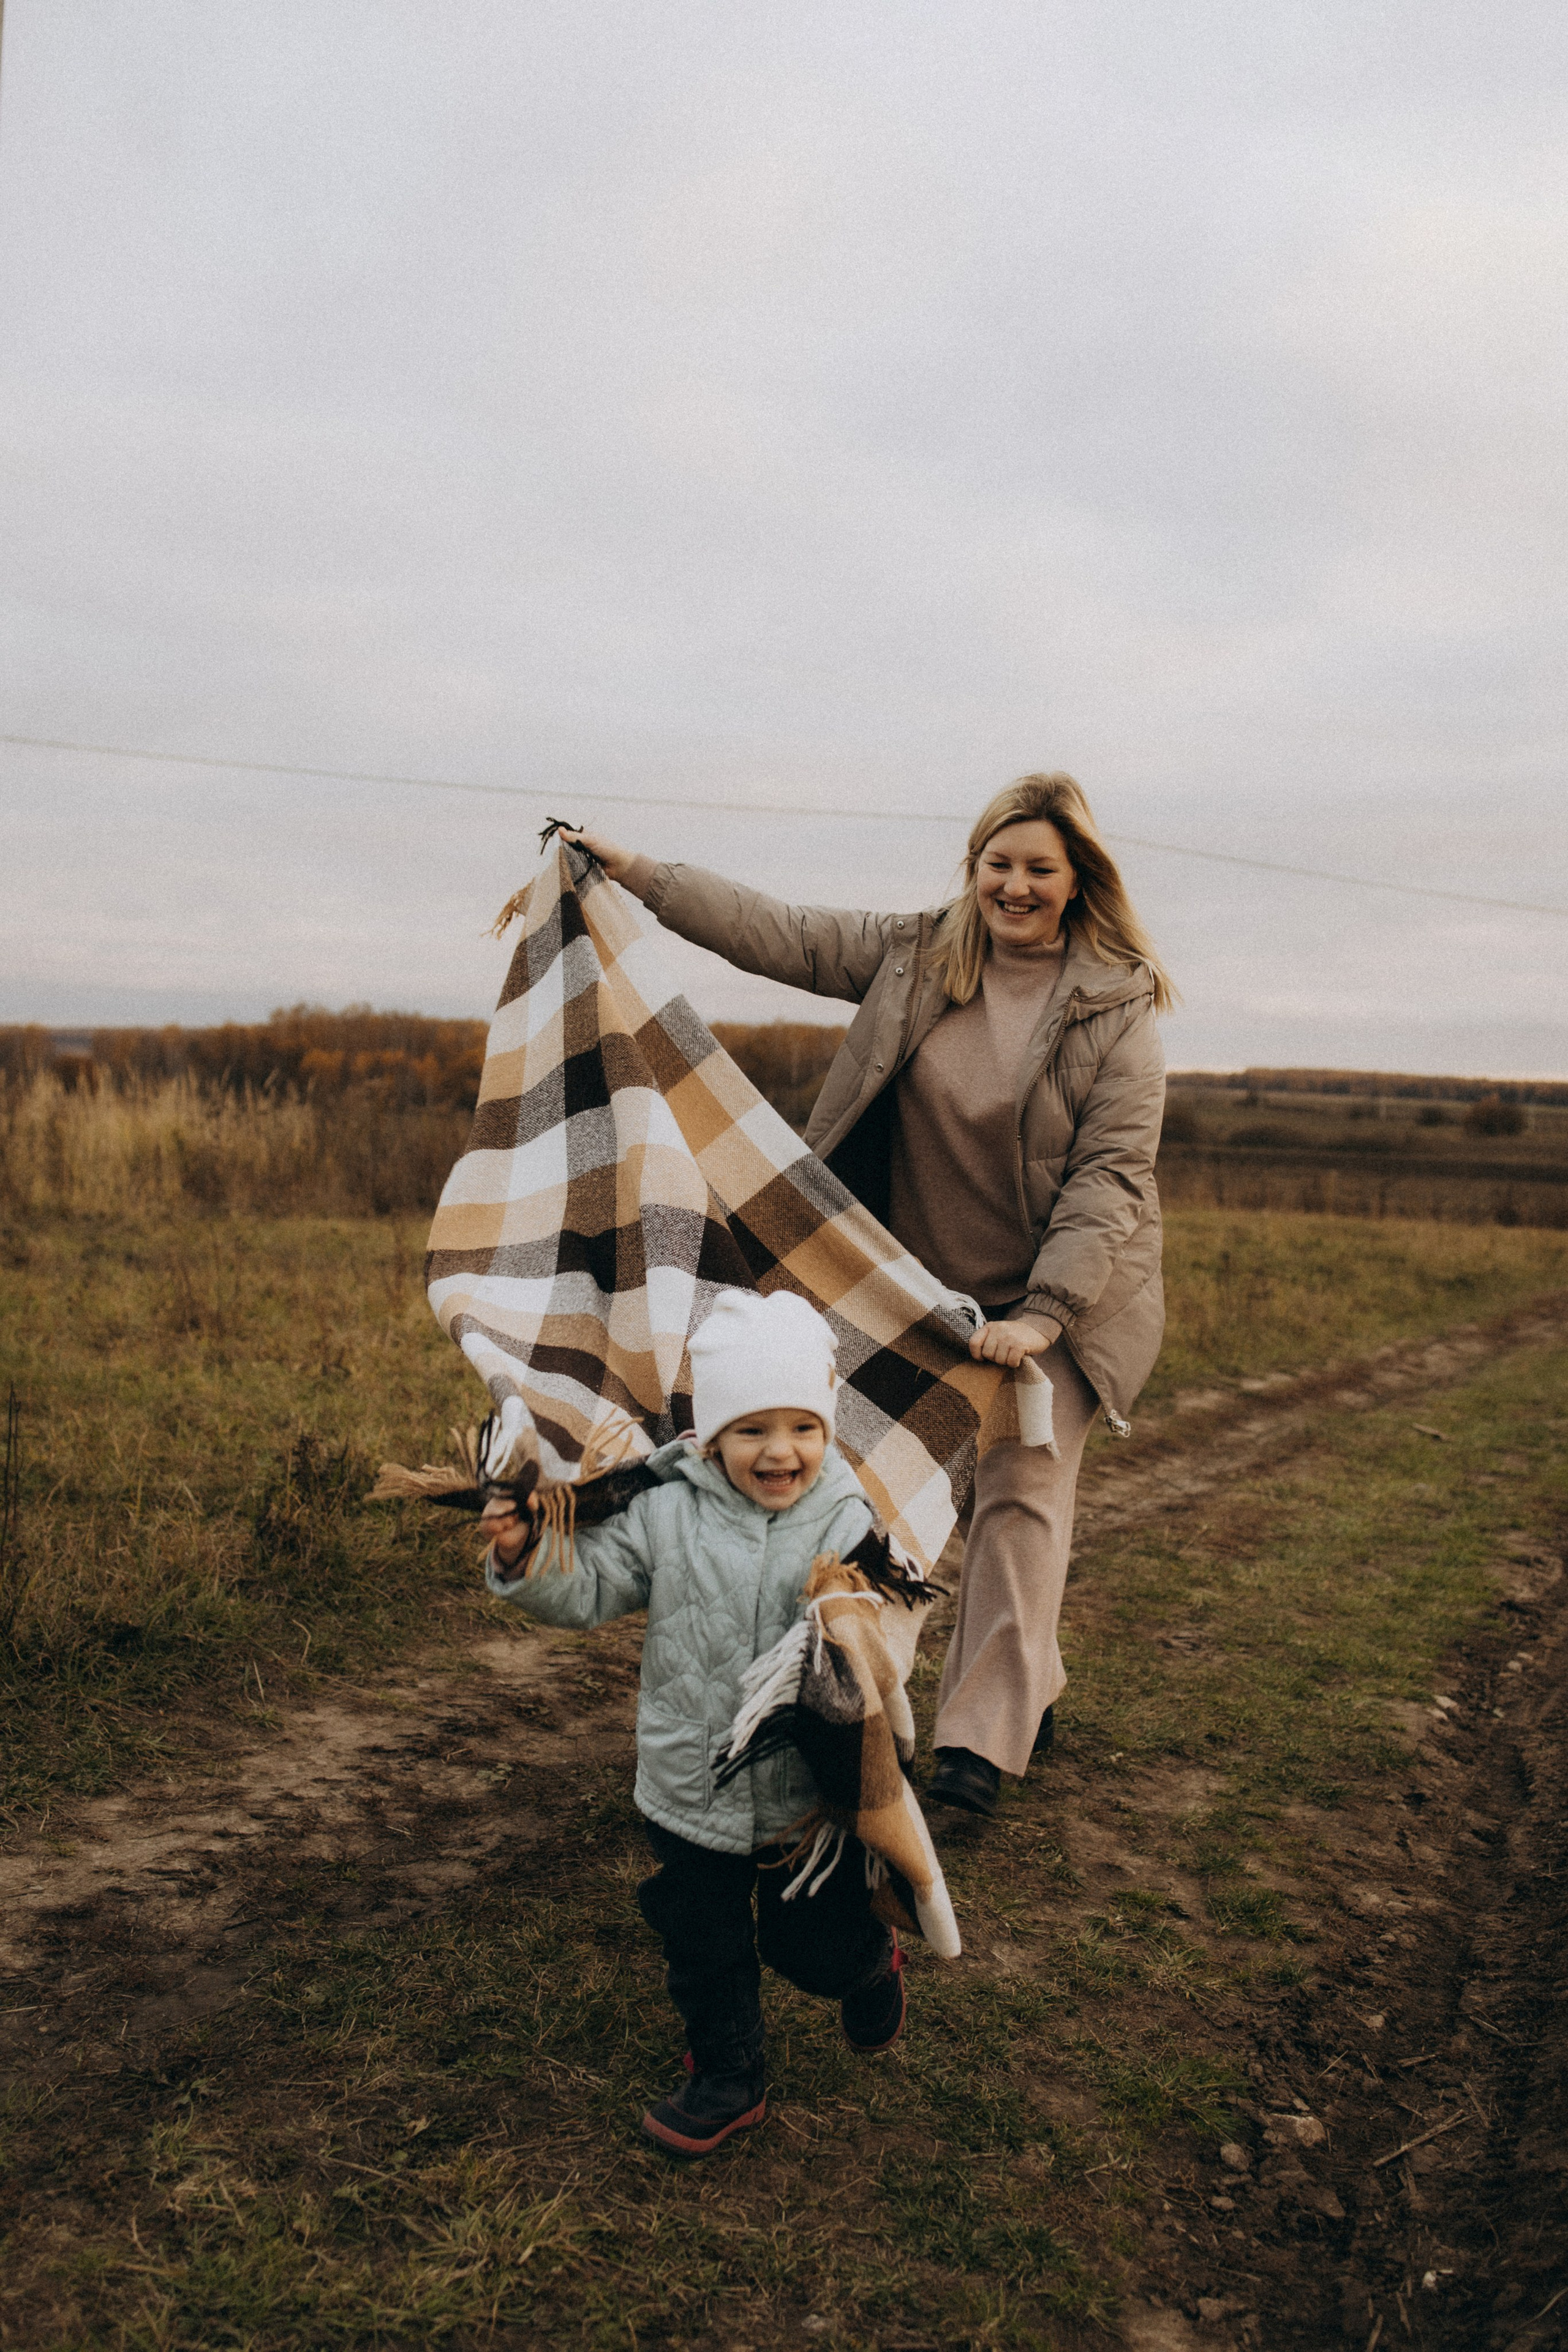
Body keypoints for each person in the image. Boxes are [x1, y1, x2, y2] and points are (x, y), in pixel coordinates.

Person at [564, 772, 1174, 1820]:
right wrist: (638, 875)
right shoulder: (918, 954)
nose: (1015, 886)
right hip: (910, 1288)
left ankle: (974, 1757)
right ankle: (1021, 1683)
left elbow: (1110, 1181)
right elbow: (781, 934)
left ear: (1077, 883)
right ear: (973, 867)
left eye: (1040, 868)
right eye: (999, 863)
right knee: (884, 1497)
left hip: (1063, 1300)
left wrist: (1042, 1318)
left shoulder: (1119, 1013)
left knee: (1018, 1498)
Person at [479, 1287, 908, 2160]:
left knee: (812, 1950)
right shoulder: (668, 1508)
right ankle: (728, 2071)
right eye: (752, 1429)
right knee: (701, 1940)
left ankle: (869, 1964)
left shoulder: (846, 1517)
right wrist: (525, 1557)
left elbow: (891, 1631)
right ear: (711, 1436)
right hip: (689, 1780)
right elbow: (593, 1583)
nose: (780, 1450)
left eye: (802, 1426)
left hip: (804, 1808)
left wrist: (858, 1623)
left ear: (827, 1426)